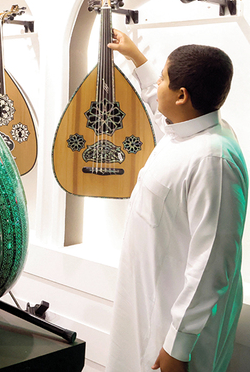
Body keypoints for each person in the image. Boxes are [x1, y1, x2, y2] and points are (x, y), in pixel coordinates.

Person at [106, 29, 247, 372]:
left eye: (163, 79)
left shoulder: (213, 160)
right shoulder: (185, 132)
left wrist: (178, 346)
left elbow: (212, 263)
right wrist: (136, 58)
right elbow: (160, 110)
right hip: (148, 301)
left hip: (174, 329)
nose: (158, 85)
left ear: (182, 95)